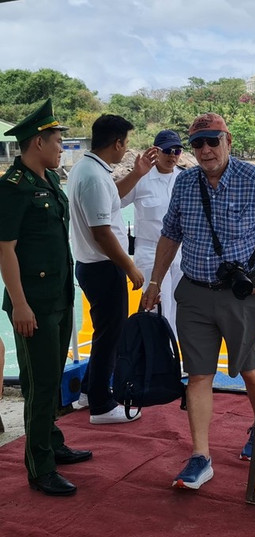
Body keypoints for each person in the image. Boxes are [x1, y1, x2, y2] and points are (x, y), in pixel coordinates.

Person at [140, 112, 255, 490]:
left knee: (250, 369)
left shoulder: (253, 179)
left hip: (241, 294)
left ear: (228, 142)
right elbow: (170, 235)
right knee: (199, 374)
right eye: (198, 143)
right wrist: (155, 281)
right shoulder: (184, 183)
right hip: (194, 291)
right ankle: (200, 456)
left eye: (213, 141)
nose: (205, 149)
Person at [0, 98, 92, 496]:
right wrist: (19, 304)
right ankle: (40, 467)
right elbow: (5, 250)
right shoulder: (13, 188)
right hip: (32, 304)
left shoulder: (50, 181)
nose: (61, 147)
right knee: (38, 387)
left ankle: (52, 442)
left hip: (58, 296)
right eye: (57, 141)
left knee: (52, 378)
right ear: (38, 142)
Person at [68, 114, 156, 425]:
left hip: (93, 265)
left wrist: (137, 174)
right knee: (111, 336)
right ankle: (102, 406)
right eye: (126, 143)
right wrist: (130, 266)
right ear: (117, 143)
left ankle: (89, 391)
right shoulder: (93, 176)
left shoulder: (88, 169)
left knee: (105, 332)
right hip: (103, 267)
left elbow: (111, 198)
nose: (127, 149)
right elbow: (102, 233)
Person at [120, 129, 186, 333]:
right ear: (156, 151)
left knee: (181, 309)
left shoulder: (185, 178)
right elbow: (114, 201)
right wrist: (135, 174)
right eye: (167, 151)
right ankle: (158, 352)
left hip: (181, 253)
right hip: (150, 252)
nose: (172, 156)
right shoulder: (141, 178)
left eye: (177, 151)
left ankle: (175, 351)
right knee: (159, 309)